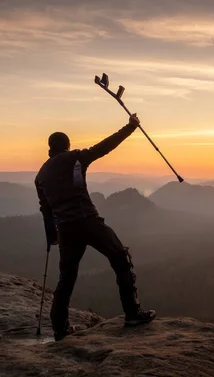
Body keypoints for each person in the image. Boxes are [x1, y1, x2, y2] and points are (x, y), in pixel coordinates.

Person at [34, 114, 156, 341]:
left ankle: (60, 328)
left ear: (50, 148)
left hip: (66, 230)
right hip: (89, 221)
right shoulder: (76, 158)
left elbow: (46, 209)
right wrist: (130, 127)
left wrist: (52, 236)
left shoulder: (40, 175)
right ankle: (132, 313)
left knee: (66, 278)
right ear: (67, 146)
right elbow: (104, 147)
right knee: (121, 258)